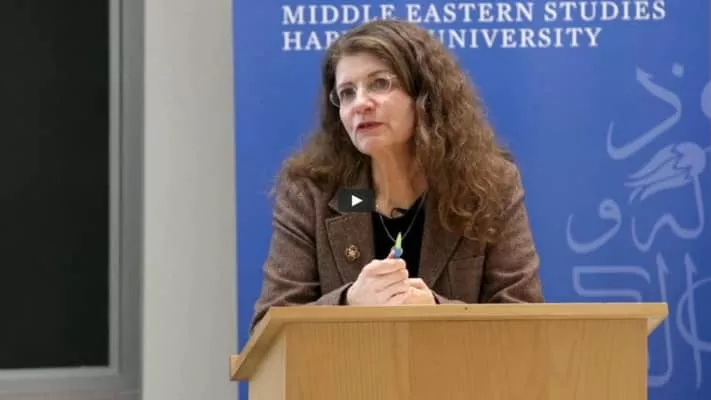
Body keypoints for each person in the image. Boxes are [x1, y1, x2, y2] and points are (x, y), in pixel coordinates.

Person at [249, 19, 544, 332]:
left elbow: (524, 318)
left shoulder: (488, 186)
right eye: (347, 93)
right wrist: (348, 303)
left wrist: (438, 311)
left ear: (424, 95)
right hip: (351, 364)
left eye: (379, 83)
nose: (360, 104)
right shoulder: (315, 194)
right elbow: (269, 328)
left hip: (457, 364)